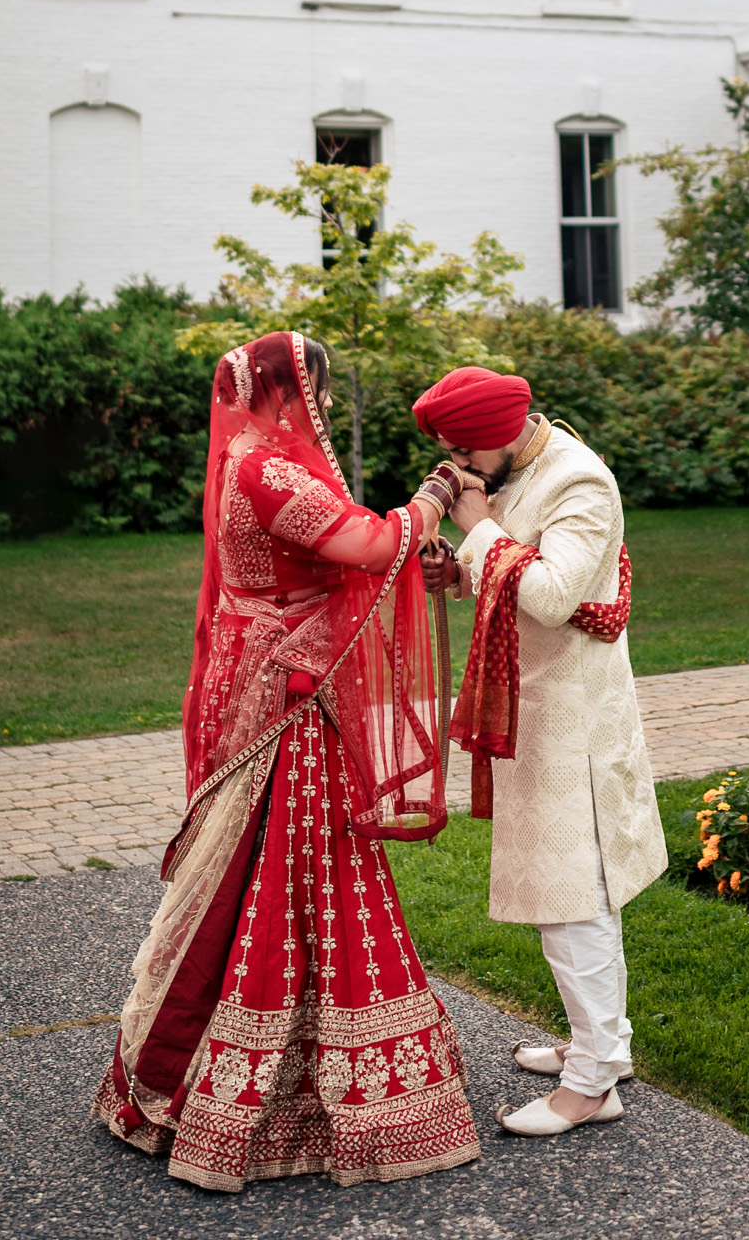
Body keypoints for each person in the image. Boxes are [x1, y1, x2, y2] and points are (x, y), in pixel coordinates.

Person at [93, 329, 481, 1192]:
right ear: (286, 391)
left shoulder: (256, 461)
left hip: (289, 687)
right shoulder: (267, 470)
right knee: (294, 869)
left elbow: (336, 558)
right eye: (319, 392)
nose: (325, 408)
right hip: (287, 704)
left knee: (270, 869)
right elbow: (369, 548)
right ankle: (263, 1090)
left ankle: (221, 1070)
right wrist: (436, 491)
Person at [413, 364, 667, 1138]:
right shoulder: (520, 469)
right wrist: (458, 573)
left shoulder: (580, 482)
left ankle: (592, 1085)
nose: (454, 466)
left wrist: (475, 524)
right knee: (572, 893)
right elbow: (516, 574)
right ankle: (602, 1047)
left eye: (461, 450)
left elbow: (554, 596)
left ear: (497, 435)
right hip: (537, 709)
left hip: (573, 724)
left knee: (570, 898)